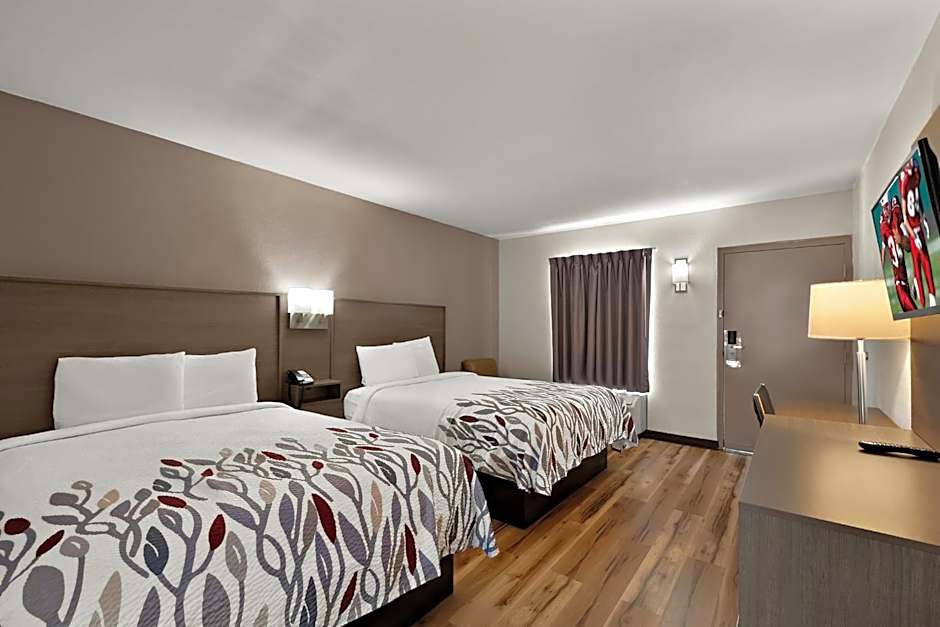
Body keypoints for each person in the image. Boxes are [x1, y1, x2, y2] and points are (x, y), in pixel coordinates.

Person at [899, 158, 936, 307]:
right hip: (911, 228)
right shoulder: (904, 179)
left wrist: (924, 217)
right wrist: (913, 236)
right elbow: (905, 217)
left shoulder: (916, 171)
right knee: (919, 261)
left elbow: (917, 197)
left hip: (918, 224)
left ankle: (930, 296)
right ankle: (924, 299)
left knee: (923, 261)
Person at [881, 196, 917, 312]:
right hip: (898, 279)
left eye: (887, 206)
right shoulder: (884, 226)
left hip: (902, 280)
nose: (886, 211)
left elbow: (909, 247)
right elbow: (883, 248)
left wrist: (901, 239)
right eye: (884, 208)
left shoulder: (897, 220)